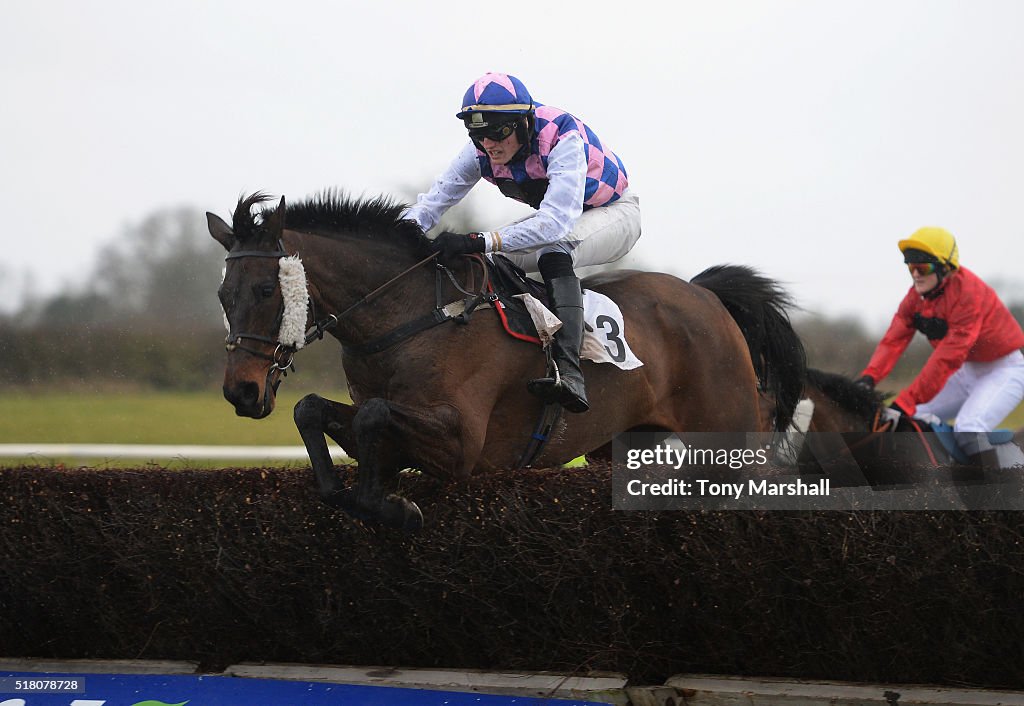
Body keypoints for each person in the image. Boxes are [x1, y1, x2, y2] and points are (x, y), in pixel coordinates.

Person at [402, 72, 641, 414]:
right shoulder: (480, 151)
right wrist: (394, 236)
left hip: (615, 214)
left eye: (498, 132)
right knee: (492, 264)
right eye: (479, 134)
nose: (489, 144)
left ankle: (570, 370)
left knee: (552, 251)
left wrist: (478, 239)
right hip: (566, 219)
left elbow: (555, 223)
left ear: (524, 122)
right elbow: (433, 203)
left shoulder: (562, 136)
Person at [856, 227, 1024, 463]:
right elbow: (893, 340)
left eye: (922, 268)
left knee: (968, 428)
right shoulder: (916, 297)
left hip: (1004, 370)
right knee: (913, 418)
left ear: (945, 268)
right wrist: (869, 378)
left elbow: (947, 359)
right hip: (966, 371)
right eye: (911, 267)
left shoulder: (969, 294)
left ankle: (1002, 494)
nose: (915, 274)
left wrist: (905, 401)